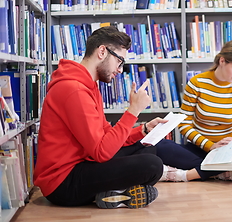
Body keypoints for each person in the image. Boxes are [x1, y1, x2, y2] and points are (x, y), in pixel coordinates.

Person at [33, 26, 165, 209]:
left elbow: (106, 136)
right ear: (102, 51)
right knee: (152, 165)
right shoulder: (74, 90)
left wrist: (142, 130)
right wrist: (133, 111)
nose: (120, 70)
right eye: (119, 61)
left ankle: (112, 194)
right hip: (63, 183)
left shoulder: (89, 85)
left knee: (147, 150)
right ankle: (115, 193)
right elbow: (102, 152)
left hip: (84, 162)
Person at [155, 39, 232, 182]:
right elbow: (184, 124)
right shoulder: (197, 83)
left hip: (227, 153)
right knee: (160, 146)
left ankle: (188, 174)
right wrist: (210, 146)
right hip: (200, 149)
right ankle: (222, 173)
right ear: (222, 61)